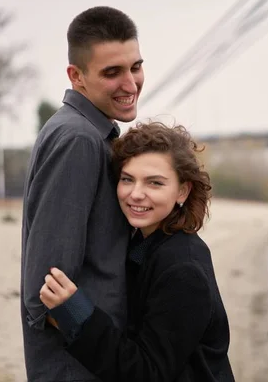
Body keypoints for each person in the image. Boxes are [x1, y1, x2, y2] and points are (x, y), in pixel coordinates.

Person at [39, 122, 235, 382]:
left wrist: (76, 315)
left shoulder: (183, 269)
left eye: (154, 183)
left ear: (182, 191)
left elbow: (147, 373)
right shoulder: (146, 244)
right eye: (127, 179)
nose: (136, 194)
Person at [21, 6, 144, 381]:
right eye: (112, 72)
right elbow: (45, 288)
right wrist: (106, 351)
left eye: (135, 66)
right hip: (80, 368)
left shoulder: (92, 134)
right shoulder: (78, 139)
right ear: (77, 76)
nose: (131, 83)